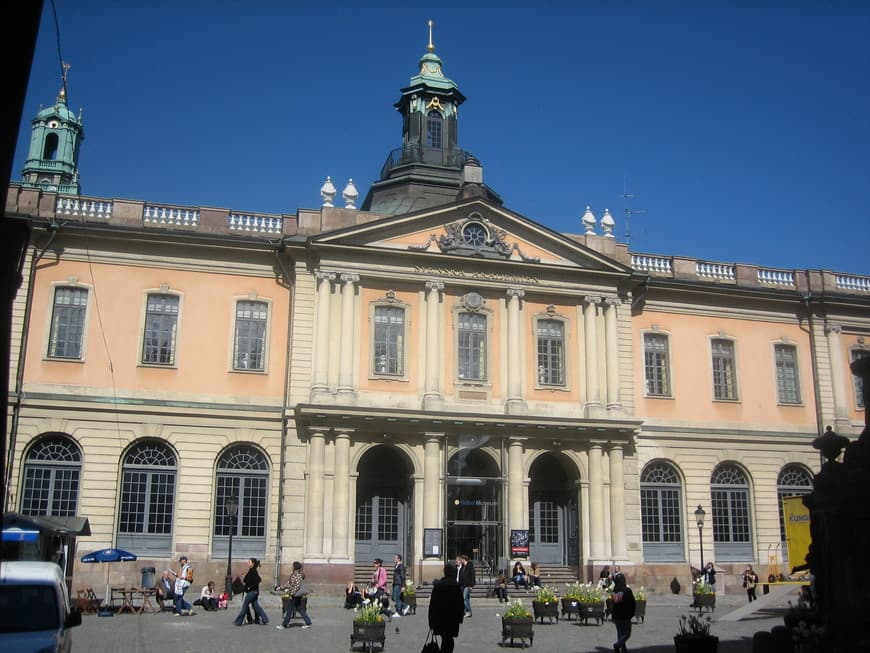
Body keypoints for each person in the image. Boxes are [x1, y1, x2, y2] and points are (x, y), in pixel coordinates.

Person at [429, 563, 465, 653]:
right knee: (448, 640)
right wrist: (460, 618)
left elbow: (432, 605)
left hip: (440, 618)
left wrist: (431, 621)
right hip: (452, 619)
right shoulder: (456, 587)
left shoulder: (438, 587)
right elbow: (460, 604)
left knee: (445, 639)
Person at [233, 558, 269, 626]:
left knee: (245, 606)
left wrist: (249, 588)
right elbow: (248, 580)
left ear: (252, 563)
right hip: (254, 592)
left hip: (252, 592)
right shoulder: (251, 570)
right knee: (256, 605)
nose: (248, 563)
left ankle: (238, 621)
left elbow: (258, 580)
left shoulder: (253, 571)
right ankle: (265, 619)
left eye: (249, 562)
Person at [277, 561, 312, 629]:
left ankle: (284, 625)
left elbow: (297, 586)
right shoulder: (294, 574)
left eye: (292, 566)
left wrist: (291, 593)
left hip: (295, 595)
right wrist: (280, 587)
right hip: (295, 595)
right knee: (300, 609)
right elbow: (289, 584)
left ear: (295, 567)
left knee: (289, 610)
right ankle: (308, 622)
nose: (291, 567)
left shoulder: (298, 575)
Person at [610, 573, 636, 653]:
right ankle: (617, 645)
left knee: (620, 633)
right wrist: (631, 614)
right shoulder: (627, 591)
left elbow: (613, 605)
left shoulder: (614, 592)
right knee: (627, 633)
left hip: (617, 616)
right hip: (625, 616)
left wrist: (613, 615)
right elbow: (632, 603)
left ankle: (623, 649)